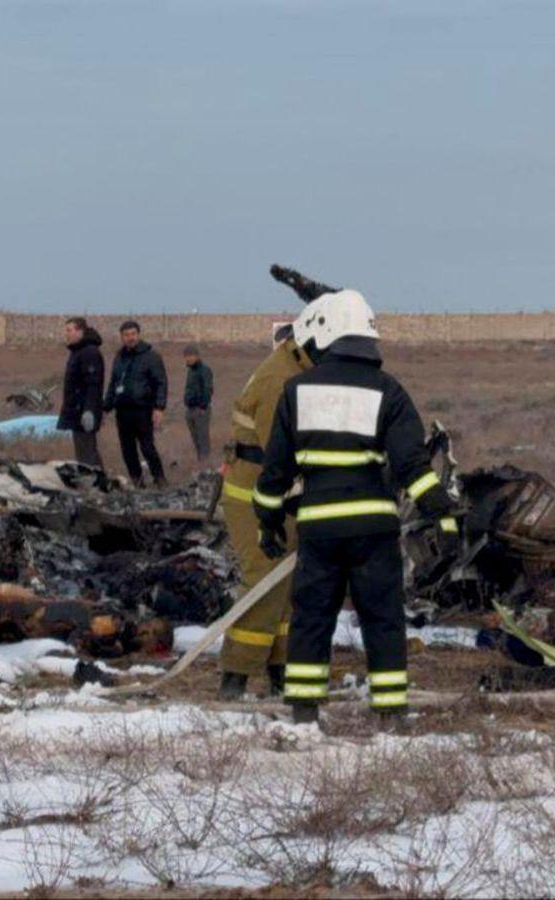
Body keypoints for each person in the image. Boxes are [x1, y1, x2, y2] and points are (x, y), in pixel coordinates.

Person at [252, 289, 457, 725]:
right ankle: (391, 714)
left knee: (311, 620)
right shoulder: (389, 390)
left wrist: (267, 522)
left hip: (318, 531)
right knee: (383, 621)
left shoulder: (296, 391)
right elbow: (412, 466)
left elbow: (274, 474)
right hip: (373, 531)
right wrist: (442, 512)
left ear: (325, 333)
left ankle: (304, 714)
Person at [216, 265, 339, 701]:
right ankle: (235, 676)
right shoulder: (279, 380)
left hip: (278, 494)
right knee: (265, 583)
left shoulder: (297, 368)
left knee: (288, 588)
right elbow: (282, 451)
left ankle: (281, 671)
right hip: (256, 495)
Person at [103, 320, 168, 488]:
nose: (130, 338)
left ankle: (160, 479)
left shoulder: (151, 356)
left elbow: (160, 382)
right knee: (128, 450)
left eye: (133, 334)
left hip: (142, 409)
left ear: (138, 335)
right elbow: (113, 383)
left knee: (147, 447)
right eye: (126, 335)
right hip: (122, 411)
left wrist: (159, 407)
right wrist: (106, 407)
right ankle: (138, 483)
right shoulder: (119, 357)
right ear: (121, 337)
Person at [56, 317, 106, 469]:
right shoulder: (78, 351)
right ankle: (98, 477)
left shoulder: (89, 352)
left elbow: (93, 384)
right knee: (84, 450)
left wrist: (89, 410)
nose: (67, 334)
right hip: (76, 410)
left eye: (69, 330)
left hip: (84, 411)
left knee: (86, 453)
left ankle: (94, 479)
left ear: (80, 331)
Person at [182, 345, 214, 466]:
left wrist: (203, 407)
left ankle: (206, 466)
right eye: (186, 356)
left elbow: (208, 389)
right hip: (190, 409)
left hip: (200, 410)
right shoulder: (190, 371)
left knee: (202, 439)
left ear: (197, 356)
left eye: (191, 355)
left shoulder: (204, 370)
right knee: (196, 439)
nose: (188, 358)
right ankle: (201, 463)